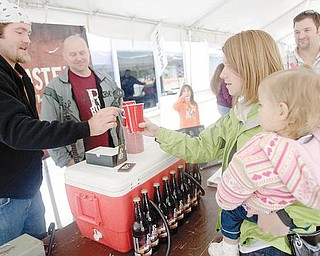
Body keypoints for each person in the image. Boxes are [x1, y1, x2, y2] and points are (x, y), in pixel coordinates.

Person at [139, 30, 320, 255]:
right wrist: (158, 132)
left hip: (275, 243)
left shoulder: (293, 117)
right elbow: (201, 147)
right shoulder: (237, 114)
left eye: (228, 65)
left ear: (249, 66)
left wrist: (286, 218)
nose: (222, 74)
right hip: (242, 235)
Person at [0, 0, 121, 245]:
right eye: (19, 31)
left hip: (30, 187)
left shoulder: (20, 75)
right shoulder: (53, 86)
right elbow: (20, 130)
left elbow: (35, 128)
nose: (27, 39)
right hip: (7, 196)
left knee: (39, 246)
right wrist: (86, 130)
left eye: (29, 32)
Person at [212, 66, 320, 255]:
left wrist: (225, 200)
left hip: (266, 220)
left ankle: (227, 248)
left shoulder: (265, 148)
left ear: (281, 111)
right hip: (303, 227)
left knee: (230, 210)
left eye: (261, 105)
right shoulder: (311, 143)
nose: (222, 74)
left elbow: (231, 187)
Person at [41, 35, 124, 168]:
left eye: (82, 53)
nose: (79, 58)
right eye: (73, 54)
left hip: (113, 153)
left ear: (88, 52)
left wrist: (124, 147)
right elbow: (48, 130)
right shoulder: (54, 89)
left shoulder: (107, 80)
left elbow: (121, 116)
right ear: (64, 56)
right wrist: (67, 161)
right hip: (82, 162)